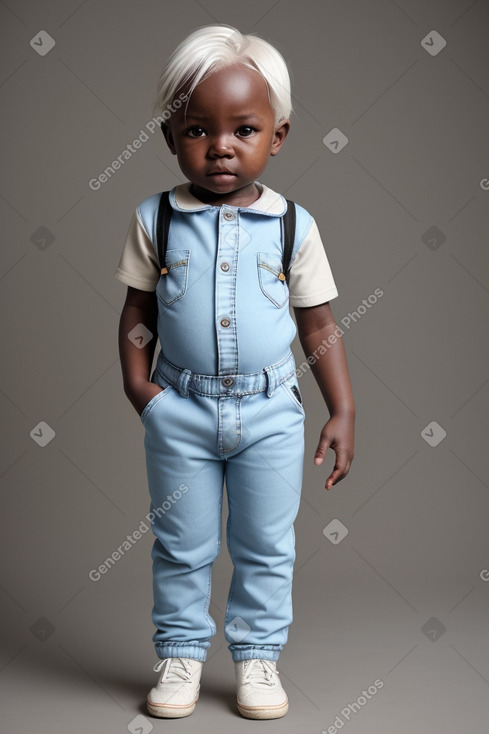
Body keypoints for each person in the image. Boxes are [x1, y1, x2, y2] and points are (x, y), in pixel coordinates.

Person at [115, 24, 355, 720]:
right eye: (196, 129)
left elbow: (318, 326)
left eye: (242, 129)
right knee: (181, 543)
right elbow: (137, 314)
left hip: (272, 414)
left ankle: (255, 660)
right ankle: (181, 653)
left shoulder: (292, 227)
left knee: (265, 546)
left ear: (276, 136)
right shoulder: (155, 219)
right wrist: (142, 389)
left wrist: (342, 410)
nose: (219, 145)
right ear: (169, 136)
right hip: (180, 413)